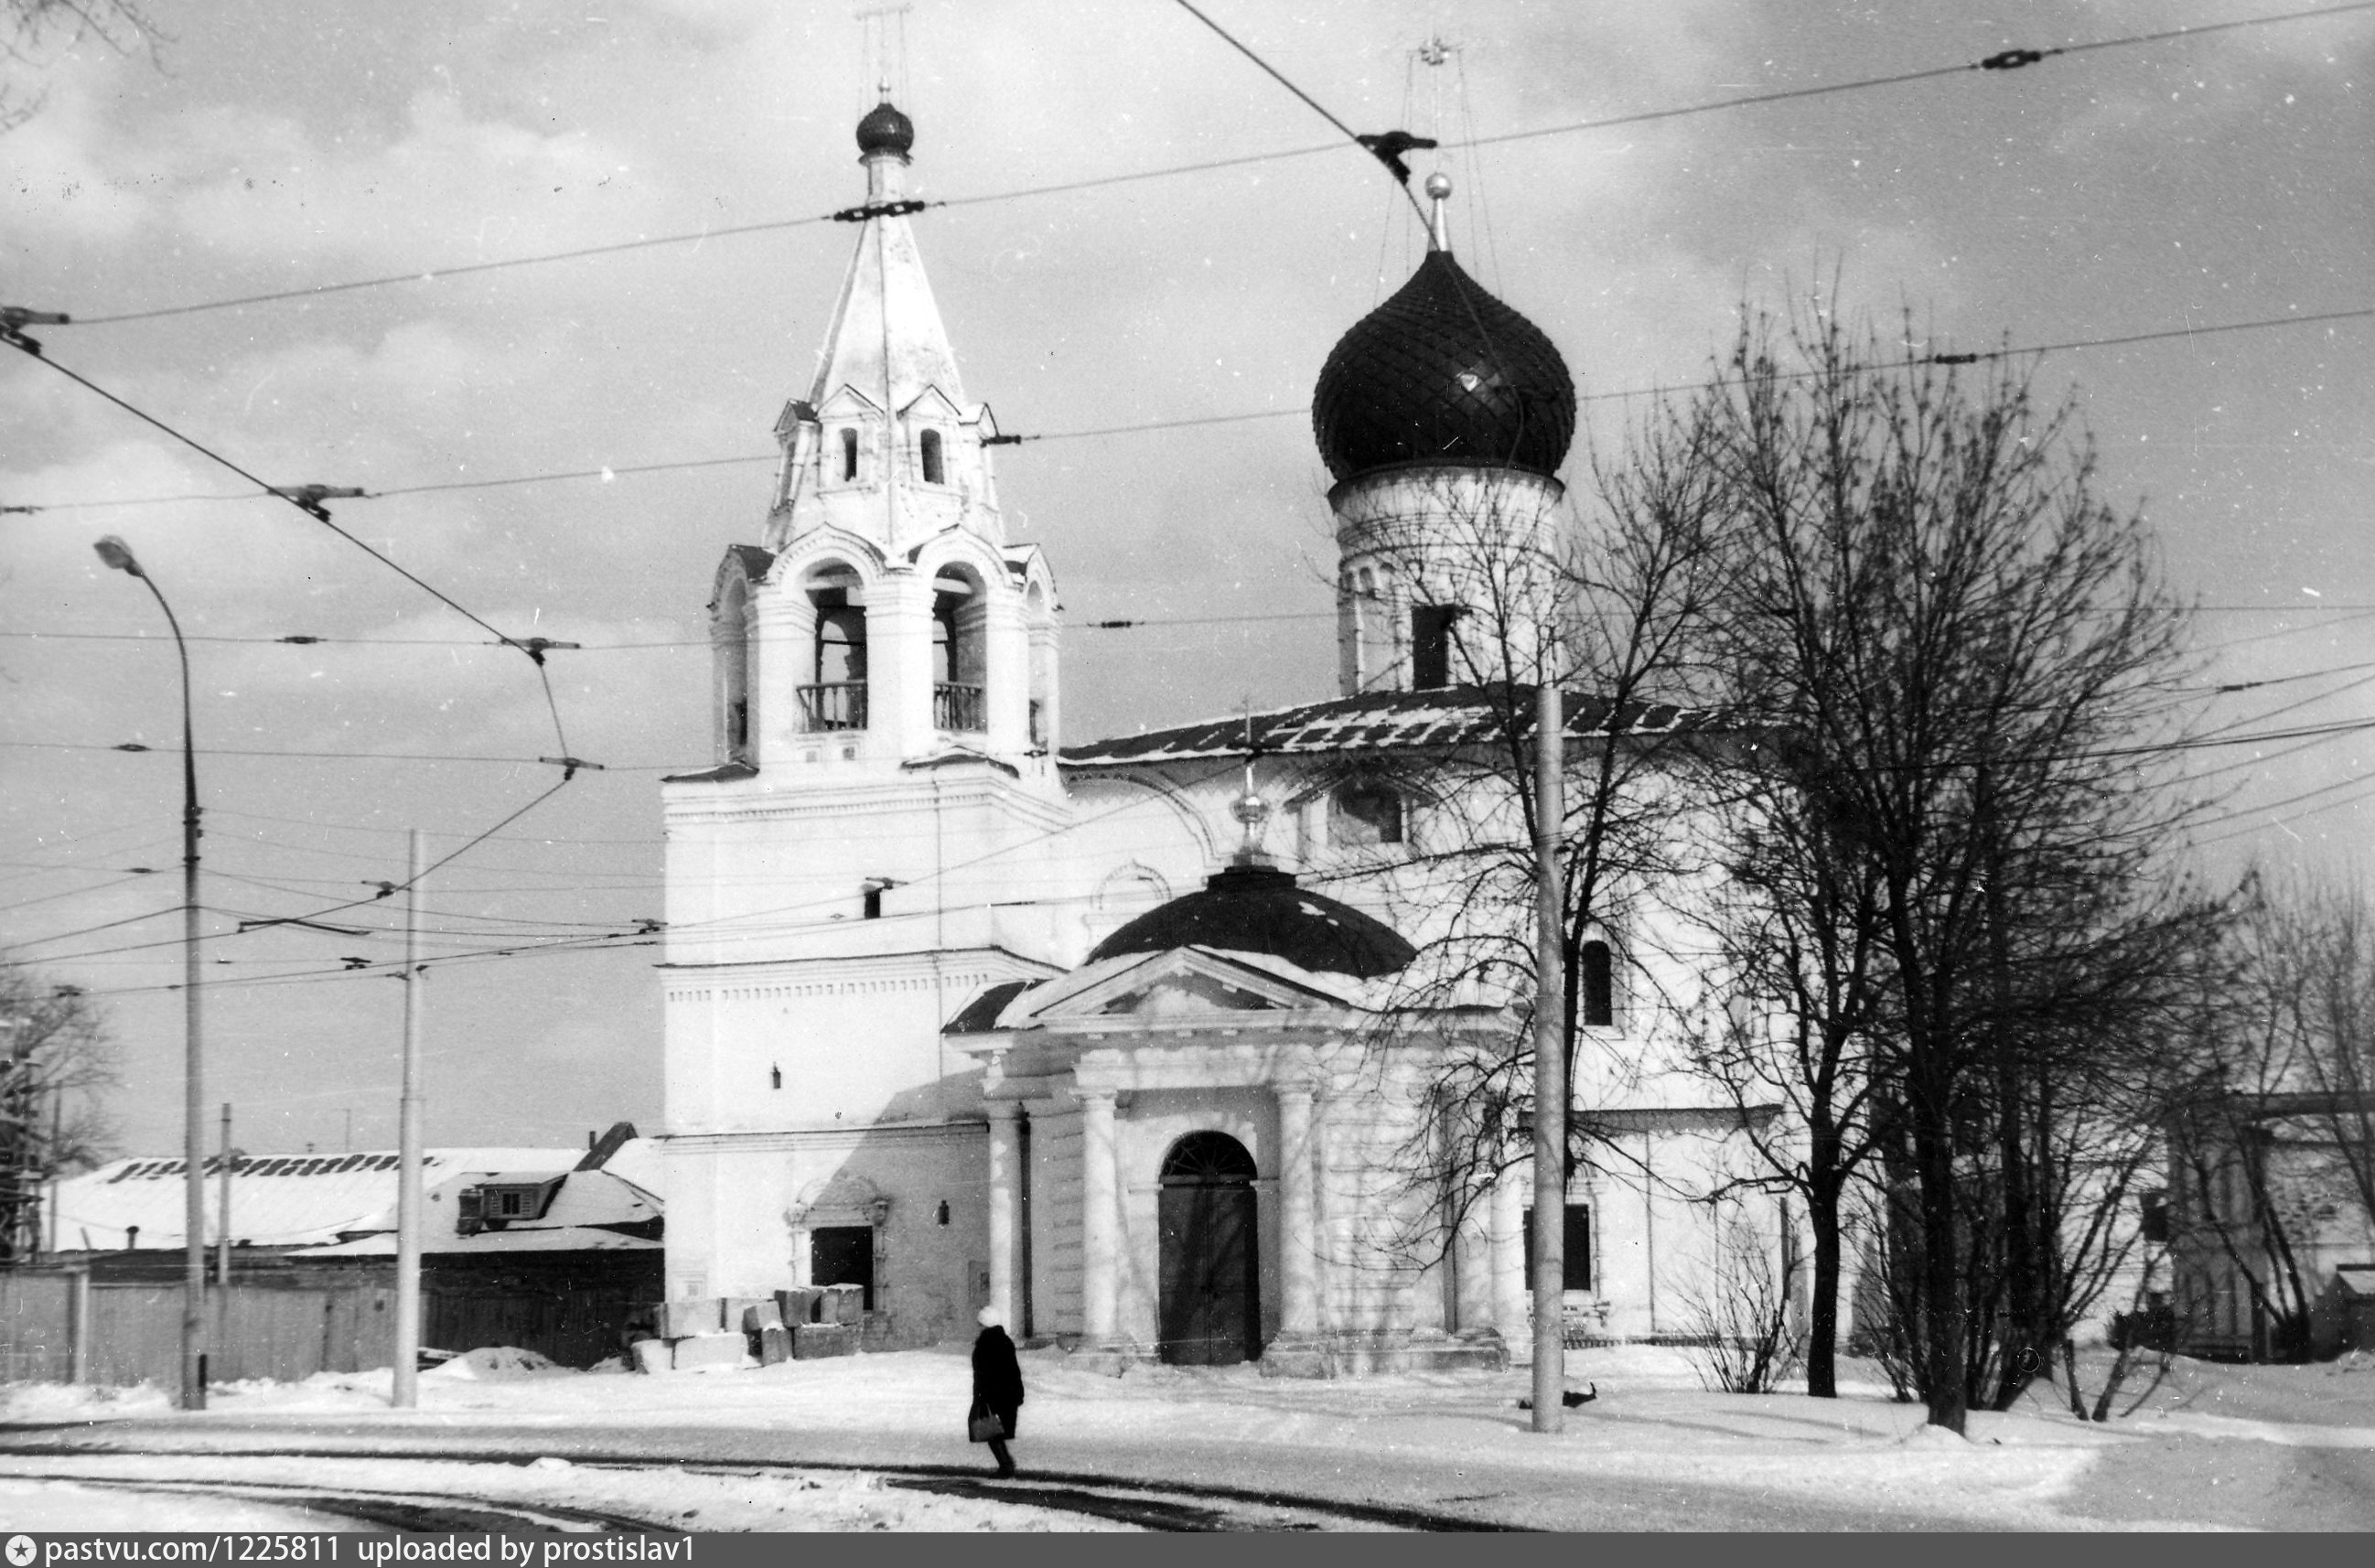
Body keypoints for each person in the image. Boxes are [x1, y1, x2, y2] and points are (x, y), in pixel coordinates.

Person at [969, 1305, 1024, 1478]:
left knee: (990, 1430)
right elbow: (1013, 1370)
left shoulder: (986, 1343)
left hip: (991, 1395)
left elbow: (984, 1373)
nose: (979, 1327)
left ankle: (1006, 1466)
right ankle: (1006, 1464)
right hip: (1006, 1394)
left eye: (980, 1323)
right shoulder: (1004, 1340)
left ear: (985, 1324)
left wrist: (981, 1395)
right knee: (993, 1431)